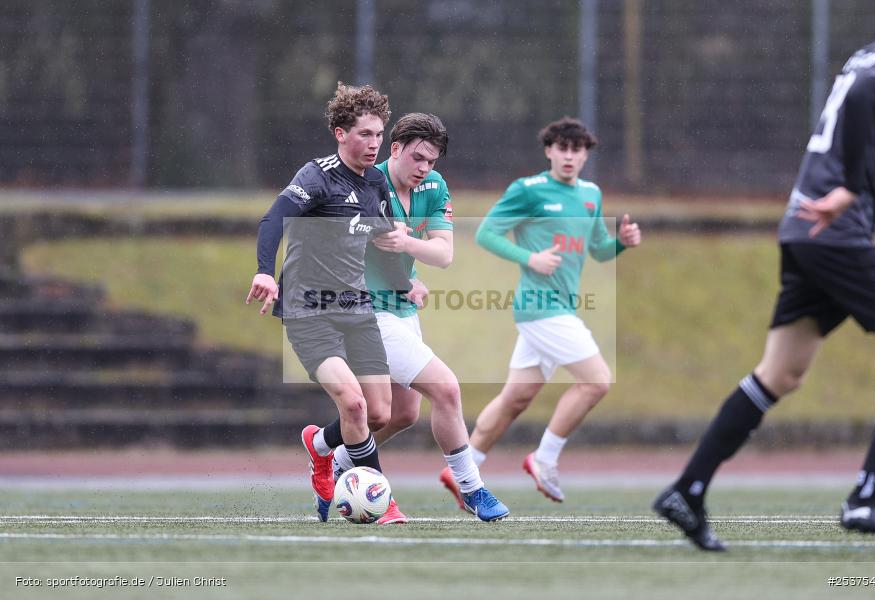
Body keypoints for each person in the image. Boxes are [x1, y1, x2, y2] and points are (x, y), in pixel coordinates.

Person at [653, 3, 875, 551]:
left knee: (780, 373)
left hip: (810, 234)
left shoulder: (872, 59)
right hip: (835, 236)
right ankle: (869, 496)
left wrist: (860, 186)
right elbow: (863, 112)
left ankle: (687, 490)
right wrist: (855, 189)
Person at [441, 117, 641, 507]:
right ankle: (544, 458)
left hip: (559, 308)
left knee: (515, 398)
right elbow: (486, 233)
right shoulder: (529, 190)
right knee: (597, 381)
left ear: (585, 154)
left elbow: (598, 249)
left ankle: (465, 468)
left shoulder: (590, 195)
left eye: (576, 149)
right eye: (561, 148)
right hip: (540, 308)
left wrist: (622, 243)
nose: (568, 156)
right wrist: (529, 257)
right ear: (549, 150)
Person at [330, 112, 510, 522]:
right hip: (368, 312)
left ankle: (332, 456)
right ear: (395, 149)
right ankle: (472, 489)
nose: (424, 168)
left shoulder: (434, 185)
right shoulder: (366, 184)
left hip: (404, 310)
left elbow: (444, 253)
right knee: (446, 388)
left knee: (401, 415)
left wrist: (407, 248)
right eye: (418, 158)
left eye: (432, 161)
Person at [246, 82, 409, 524]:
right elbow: (273, 219)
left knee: (378, 412)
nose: (374, 143)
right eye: (364, 134)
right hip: (308, 310)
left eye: (379, 134)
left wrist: (404, 283)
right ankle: (384, 502)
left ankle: (319, 446)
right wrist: (265, 269)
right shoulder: (316, 176)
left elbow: (381, 240)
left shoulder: (377, 183)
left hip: (357, 311)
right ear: (340, 134)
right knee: (353, 406)